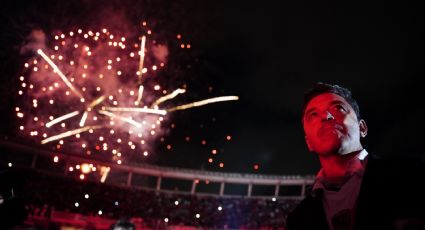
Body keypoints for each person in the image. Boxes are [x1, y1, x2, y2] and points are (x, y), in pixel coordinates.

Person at [286, 82, 425, 230]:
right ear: (309, 143)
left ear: (362, 128)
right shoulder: (297, 219)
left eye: (338, 108)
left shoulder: (413, 174)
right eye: (313, 115)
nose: (326, 116)